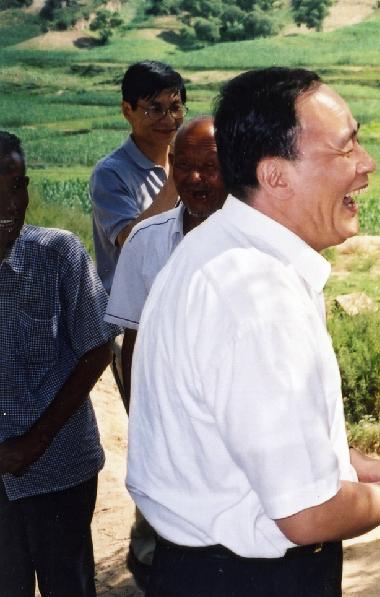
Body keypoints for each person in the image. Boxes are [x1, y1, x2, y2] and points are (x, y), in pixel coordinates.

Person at [126, 67, 380, 597]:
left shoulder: (224, 253)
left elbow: (266, 443)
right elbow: (306, 514)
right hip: (249, 581)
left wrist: (373, 470)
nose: (366, 165)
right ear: (277, 177)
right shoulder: (257, 298)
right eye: (347, 148)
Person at [103, 115, 228, 589]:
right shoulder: (147, 241)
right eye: (185, 165)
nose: (196, 178)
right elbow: (132, 343)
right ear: (170, 166)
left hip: (235, 433)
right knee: (162, 552)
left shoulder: (263, 241)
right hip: (170, 432)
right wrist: (147, 427)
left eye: (211, 166)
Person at [0, 131, 119, 597]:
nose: (9, 203)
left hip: (60, 467)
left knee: (67, 584)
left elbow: (97, 350)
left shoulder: (59, 254)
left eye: (16, 184)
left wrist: (35, 441)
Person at [90, 60, 187, 292]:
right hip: (131, 315)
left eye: (175, 107)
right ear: (127, 110)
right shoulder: (111, 173)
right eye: (155, 109)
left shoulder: (188, 162)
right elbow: (133, 243)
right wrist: (175, 181)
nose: (168, 119)